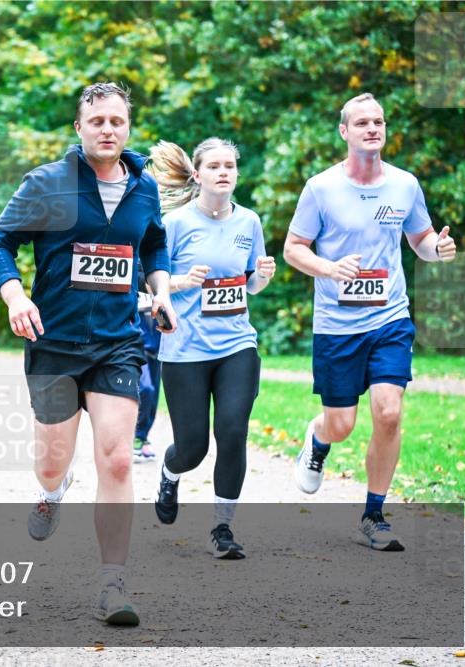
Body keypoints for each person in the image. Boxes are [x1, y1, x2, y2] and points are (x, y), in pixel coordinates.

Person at [0, 82, 177, 626]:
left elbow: (154, 243)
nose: (108, 129)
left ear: (128, 126)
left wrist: (159, 288)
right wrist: (15, 294)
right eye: (97, 122)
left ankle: (113, 583)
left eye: (117, 121)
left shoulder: (144, 187)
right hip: (54, 341)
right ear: (79, 128)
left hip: (117, 342)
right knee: (52, 458)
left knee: (117, 457)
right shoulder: (48, 182)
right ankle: (51, 490)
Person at [283, 92, 457, 551]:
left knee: (389, 410)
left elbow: (419, 239)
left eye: (378, 121)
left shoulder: (404, 184)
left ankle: (374, 514)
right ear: (345, 132)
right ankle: (319, 441)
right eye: (361, 123)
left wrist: (435, 251)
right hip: (337, 325)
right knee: (341, 424)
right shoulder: (320, 187)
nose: (372, 128)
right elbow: (294, 248)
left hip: (389, 317)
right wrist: (328, 268)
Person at [148, 139, 276, 559]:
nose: (224, 172)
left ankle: (222, 527)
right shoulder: (175, 223)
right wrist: (180, 282)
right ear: (198, 175)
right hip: (184, 349)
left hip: (237, 343)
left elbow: (249, 285)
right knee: (193, 448)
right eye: (215, 166)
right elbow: (151, 284)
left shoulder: (250, 222)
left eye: (231, 166)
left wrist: (260, 276)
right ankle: (170, 474)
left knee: (234, 431)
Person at [132, 305, 162, 463]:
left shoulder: (164, 281)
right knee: (146, 389)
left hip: (158, 344)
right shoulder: (141, 280)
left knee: (155, 394)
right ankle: (137, 436)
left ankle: (143, 437)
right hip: (137, 343)